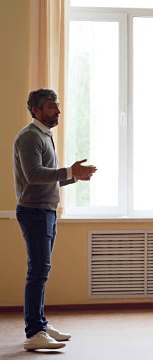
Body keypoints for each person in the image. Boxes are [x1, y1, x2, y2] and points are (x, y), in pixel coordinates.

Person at [13, 89, 97, 350]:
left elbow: (47, 177)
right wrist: (70, 170)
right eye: (51, 107)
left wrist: (74, 177)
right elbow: (34, 175)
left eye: (58, 106)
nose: (58, 111)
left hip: (46, 211)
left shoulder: (43, 135)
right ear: (36, 110)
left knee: (41, 271)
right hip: (35, 212)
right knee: (37, 272)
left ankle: (40, 323)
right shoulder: (29, 137)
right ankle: (34, 333)